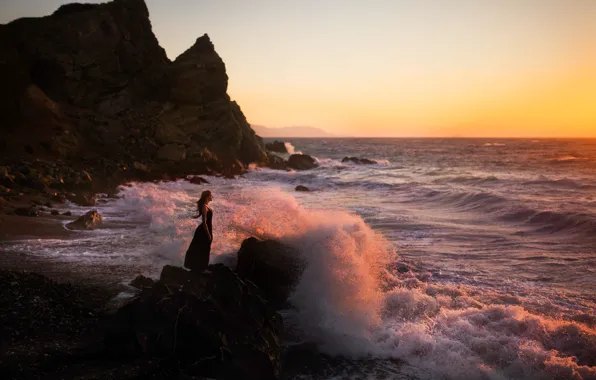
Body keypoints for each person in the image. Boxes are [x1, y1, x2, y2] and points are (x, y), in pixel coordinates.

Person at [184, 190, 213, 272]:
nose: (212, 197)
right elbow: (204, 222)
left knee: (204, 248)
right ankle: (202, 268)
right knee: (203, 248)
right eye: (211, 195)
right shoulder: (204, 206)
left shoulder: (206, 206)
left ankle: (201, 267)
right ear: (207, 196)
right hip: (203, 230)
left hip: (206, 229)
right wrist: (208, 234)